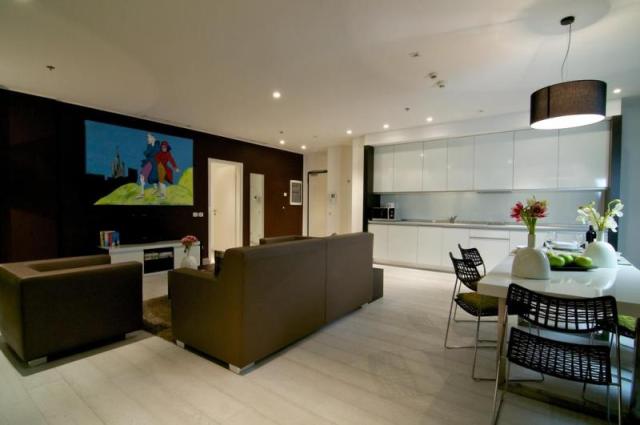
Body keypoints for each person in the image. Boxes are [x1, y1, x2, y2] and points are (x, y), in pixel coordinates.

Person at [137, 133, 160, 198]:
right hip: (149, 162)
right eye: (147, 137)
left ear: (153, 137)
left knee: (153, 177)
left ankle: (156, 190)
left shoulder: (157, 144)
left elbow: (155, 152)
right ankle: (142, 193)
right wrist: (150, 150)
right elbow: (146, 153)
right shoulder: (149, 145)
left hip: (154, 163)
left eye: (148, 137)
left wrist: (150, 151)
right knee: (142, 176)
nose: (147, 139)